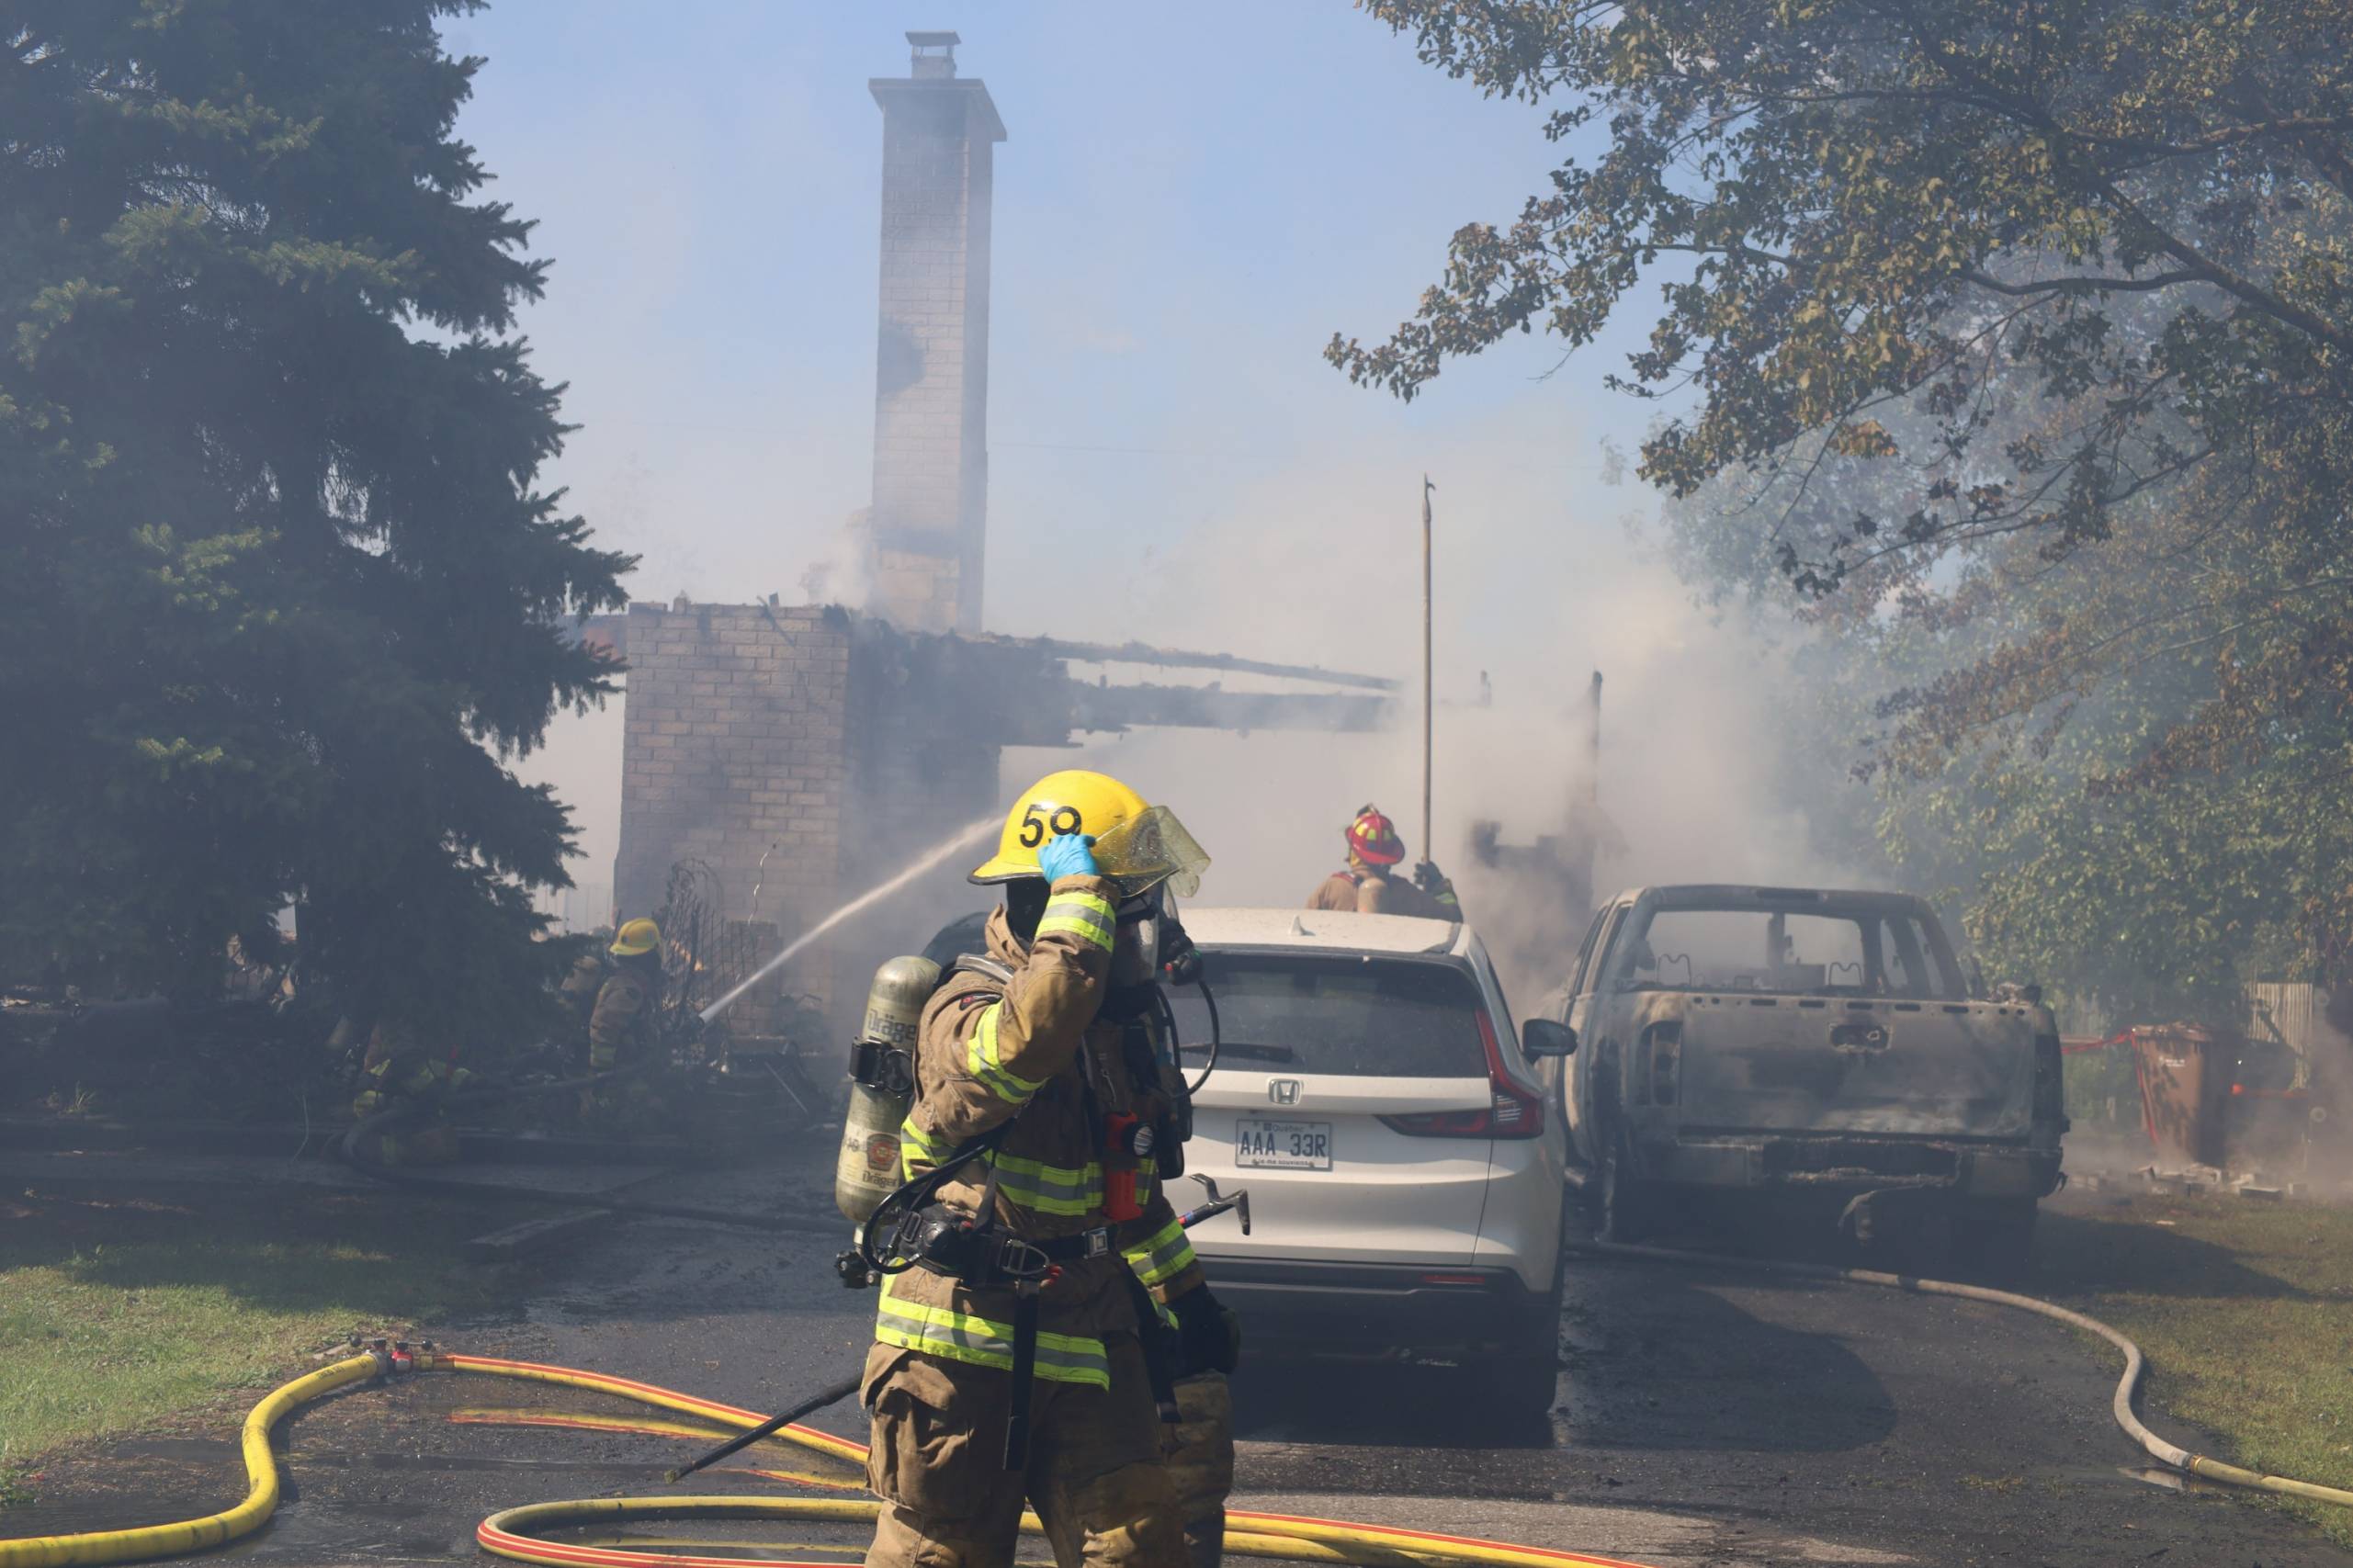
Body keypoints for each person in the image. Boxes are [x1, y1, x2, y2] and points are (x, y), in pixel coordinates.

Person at [864, 769, 1238, 1568]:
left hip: (1090, 1342)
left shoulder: (1110, 1030)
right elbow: (1019, 1053)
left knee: (1139, 1550)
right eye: (1117, 916)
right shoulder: (965, 1003)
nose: (1137, 940)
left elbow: (1130, 1197)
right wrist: (1077, 905)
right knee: (939, 1556)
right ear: (1051, 907)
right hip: (957, 1352)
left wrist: (1189, 1296)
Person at [1307, 805, 1462, 919]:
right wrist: (1439, 885)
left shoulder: (1332, 889)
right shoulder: (1405, 894)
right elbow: (1453, 919)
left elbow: (1302, 931)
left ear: (1354, 851)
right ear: (1390, 855)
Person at [582, 918, 663, 1122]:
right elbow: (604, 1027)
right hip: (616, 1075)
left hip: (623, 1068)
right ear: (650, 956)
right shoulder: (629, 991)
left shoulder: (626, 982)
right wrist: (602, 1077)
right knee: (652, 1108)